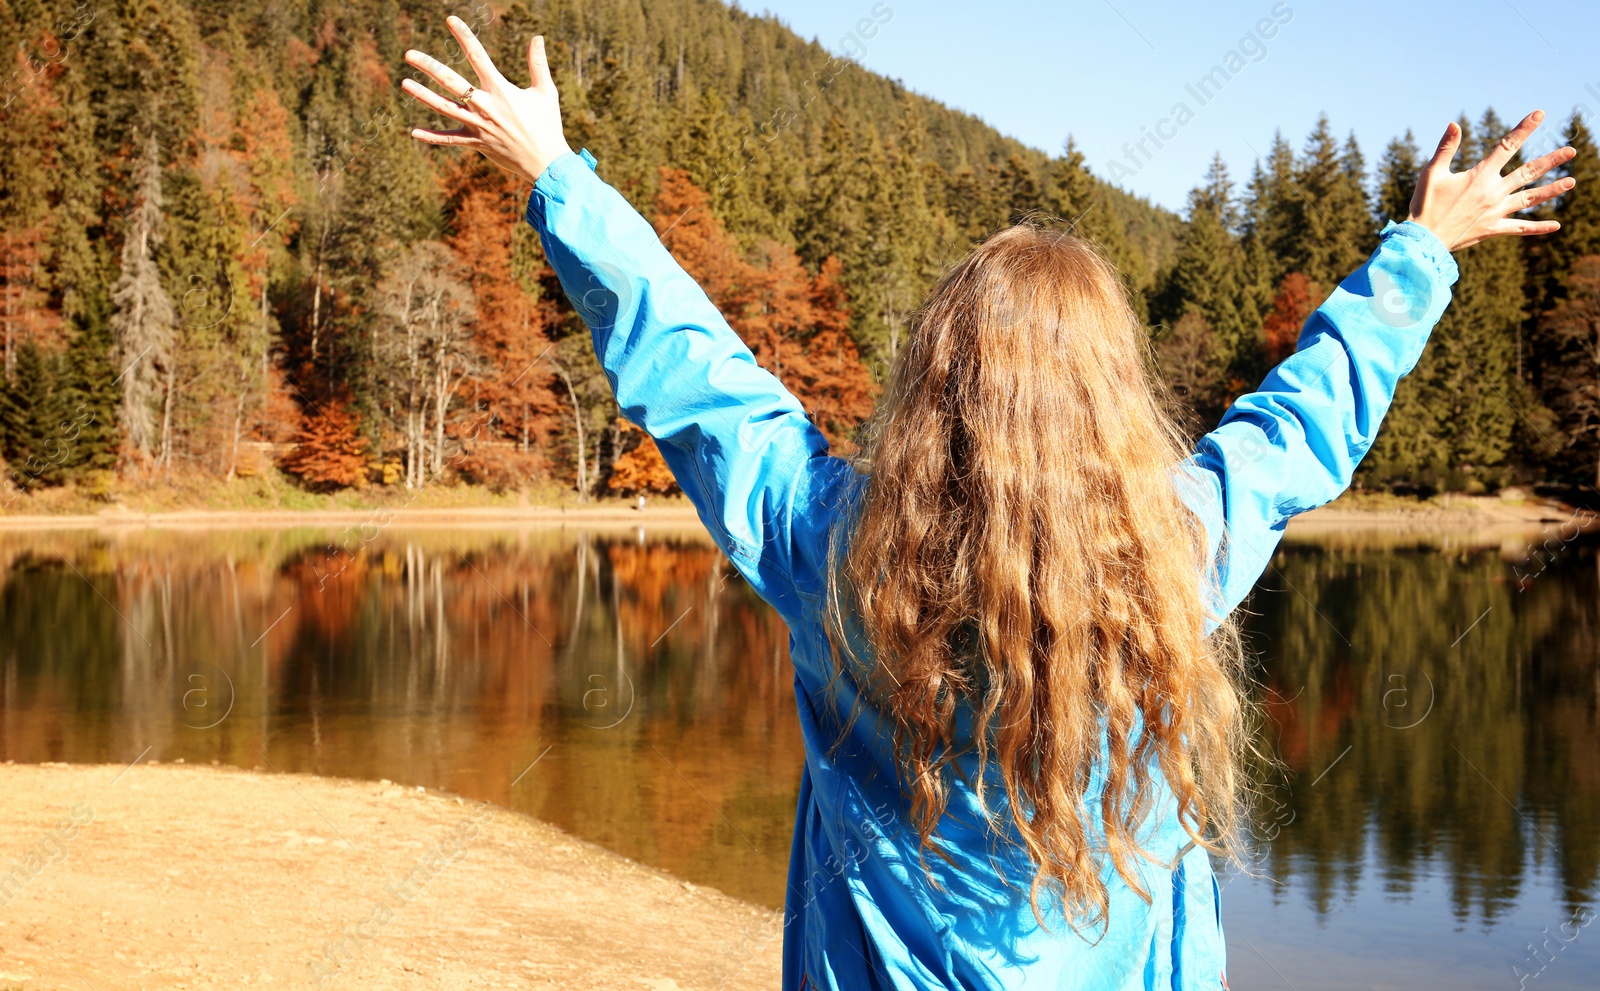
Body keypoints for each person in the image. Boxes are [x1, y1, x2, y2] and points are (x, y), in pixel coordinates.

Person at [401, 16, 1575, 990]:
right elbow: (1301, 422)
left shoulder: (834, 556)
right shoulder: (1178, 556)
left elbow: (698, 379)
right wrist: (1423, 245)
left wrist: (556, 174)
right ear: (1112, 399)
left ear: (930, 386)